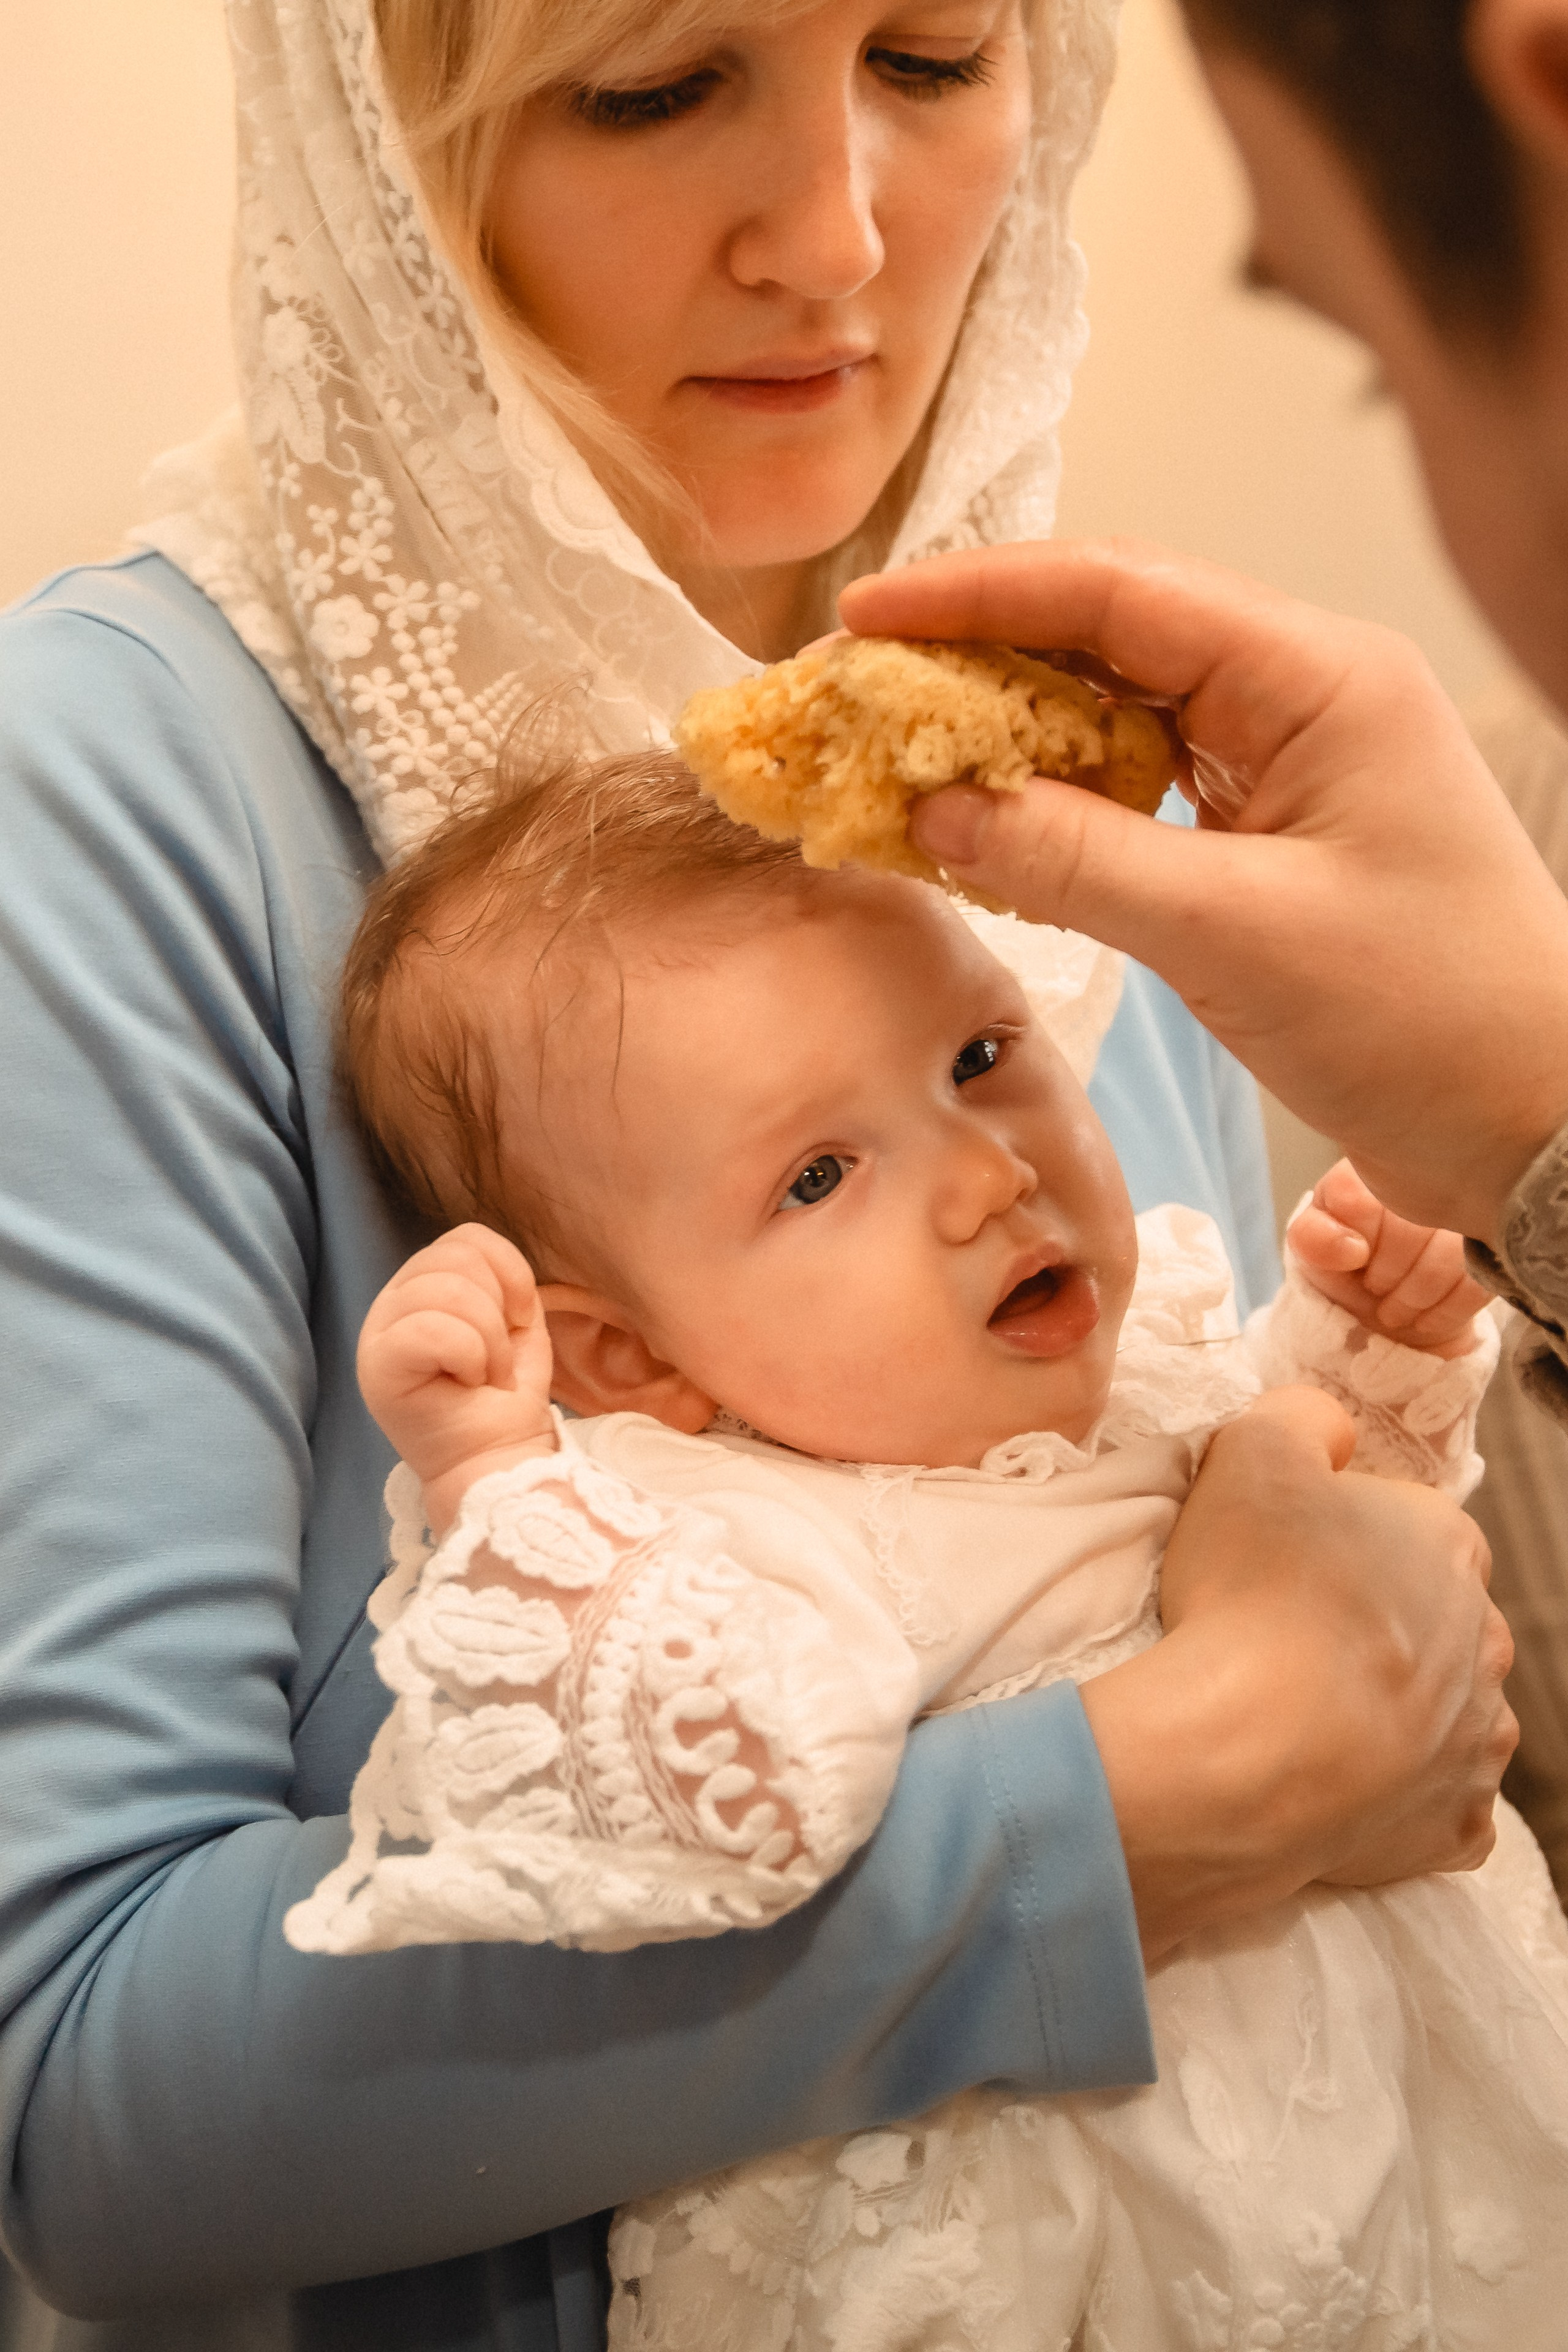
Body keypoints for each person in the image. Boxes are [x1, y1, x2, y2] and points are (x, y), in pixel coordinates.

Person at [0, 4, 1513, 2348]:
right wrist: (1158, 1801)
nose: (834, 236)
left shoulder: (1120, 758)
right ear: (388, 133)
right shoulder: (115, 798)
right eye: (649, 85)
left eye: (930, 51)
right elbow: (83, 2106)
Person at [293, 745, 1568, 2349]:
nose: (987, 1173)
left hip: (1426, 2177)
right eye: (819, 1174)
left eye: (977, 1054)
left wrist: (1360, 1350)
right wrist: (504, 1487)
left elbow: (1367, 1583)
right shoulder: (740, 1528)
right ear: (628, 1359)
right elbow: (701, 1808)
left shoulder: (1159, 1365)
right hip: (1048, 2251)